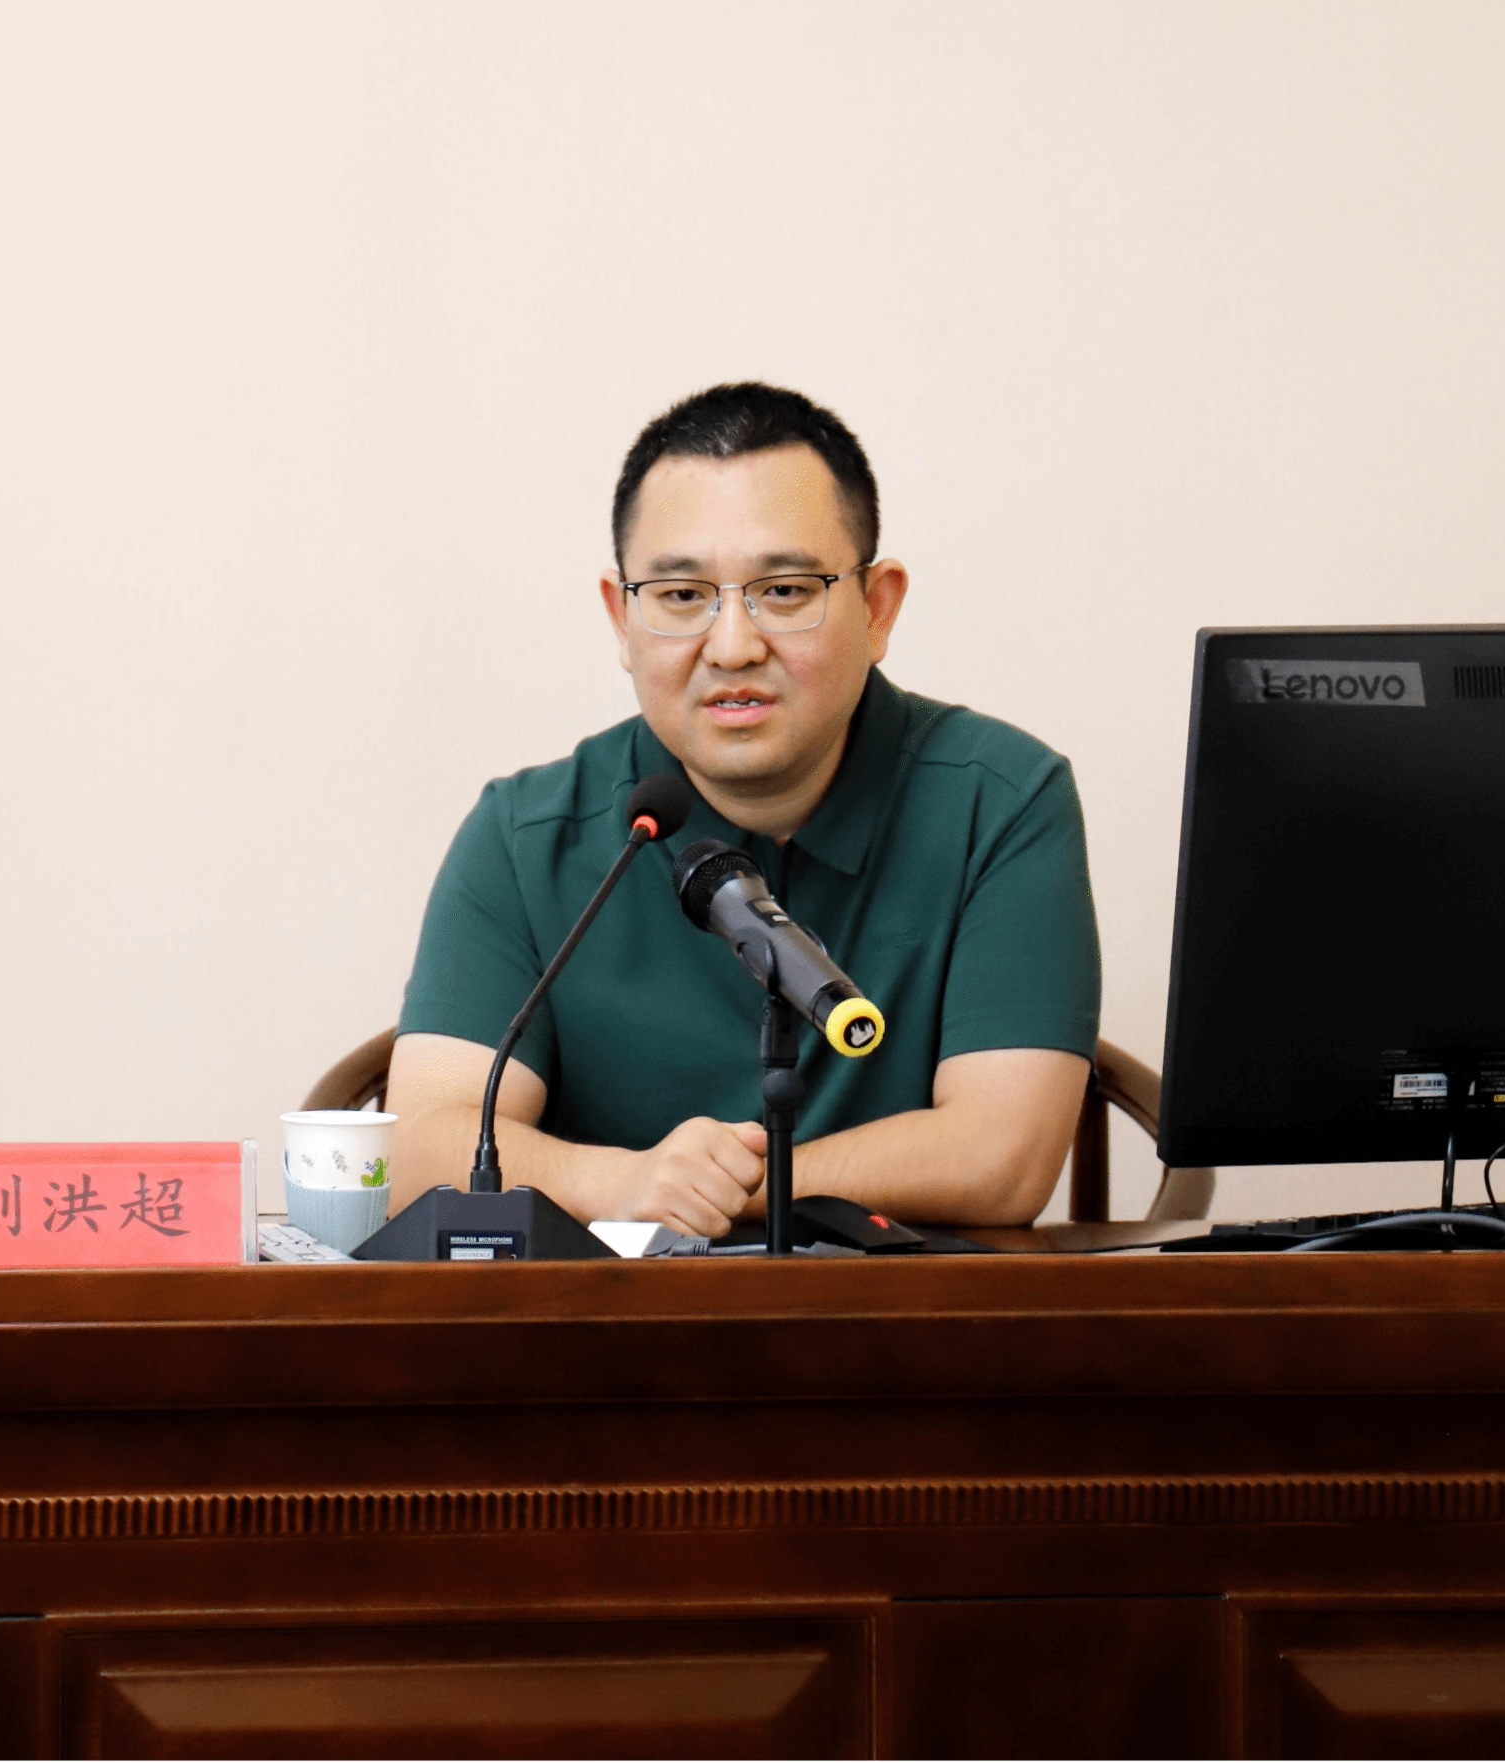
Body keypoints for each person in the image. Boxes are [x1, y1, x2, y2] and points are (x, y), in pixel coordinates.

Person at [387, 383, 1099, 1236]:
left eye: (786, 589)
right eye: (682, 596)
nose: (732, 646)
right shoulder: (525, 836)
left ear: (877, 607)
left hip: (902, 1317)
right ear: (621, 616)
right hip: (606, 1320)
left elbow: (1001, 1157)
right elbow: (420, 1151)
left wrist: (722, 1190)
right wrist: (622, 1181)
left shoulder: (1001, 801)